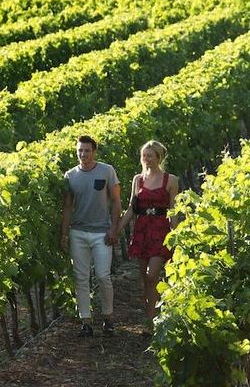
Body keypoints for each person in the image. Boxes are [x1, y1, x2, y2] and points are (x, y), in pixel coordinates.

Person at [60, 135, 121, 337]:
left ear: (94, 151)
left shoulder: (107, 170)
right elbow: (68, 206)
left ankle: (109, 317)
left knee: (103, 276)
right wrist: (65, 233)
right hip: (78, 232)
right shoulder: (70, 175)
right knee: (81, 278)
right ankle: (85, 321)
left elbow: (116, 202)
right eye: (80, 151)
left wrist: (114, 228)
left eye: (86, 150)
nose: (83, 154)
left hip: (102, 232)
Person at [116, 140, 179, 325]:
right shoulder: (138, 179)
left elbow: (173, 210)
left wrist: (177, 236)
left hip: (160, 231)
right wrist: (117, 230)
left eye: (150, 155)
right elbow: (131, 208)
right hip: (142, 230)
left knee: (153, 275)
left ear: (159, 158)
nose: (146, 159)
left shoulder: (171, 180)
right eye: (144, 155)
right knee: (145, 279)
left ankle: (160, 311)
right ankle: (151, 319)